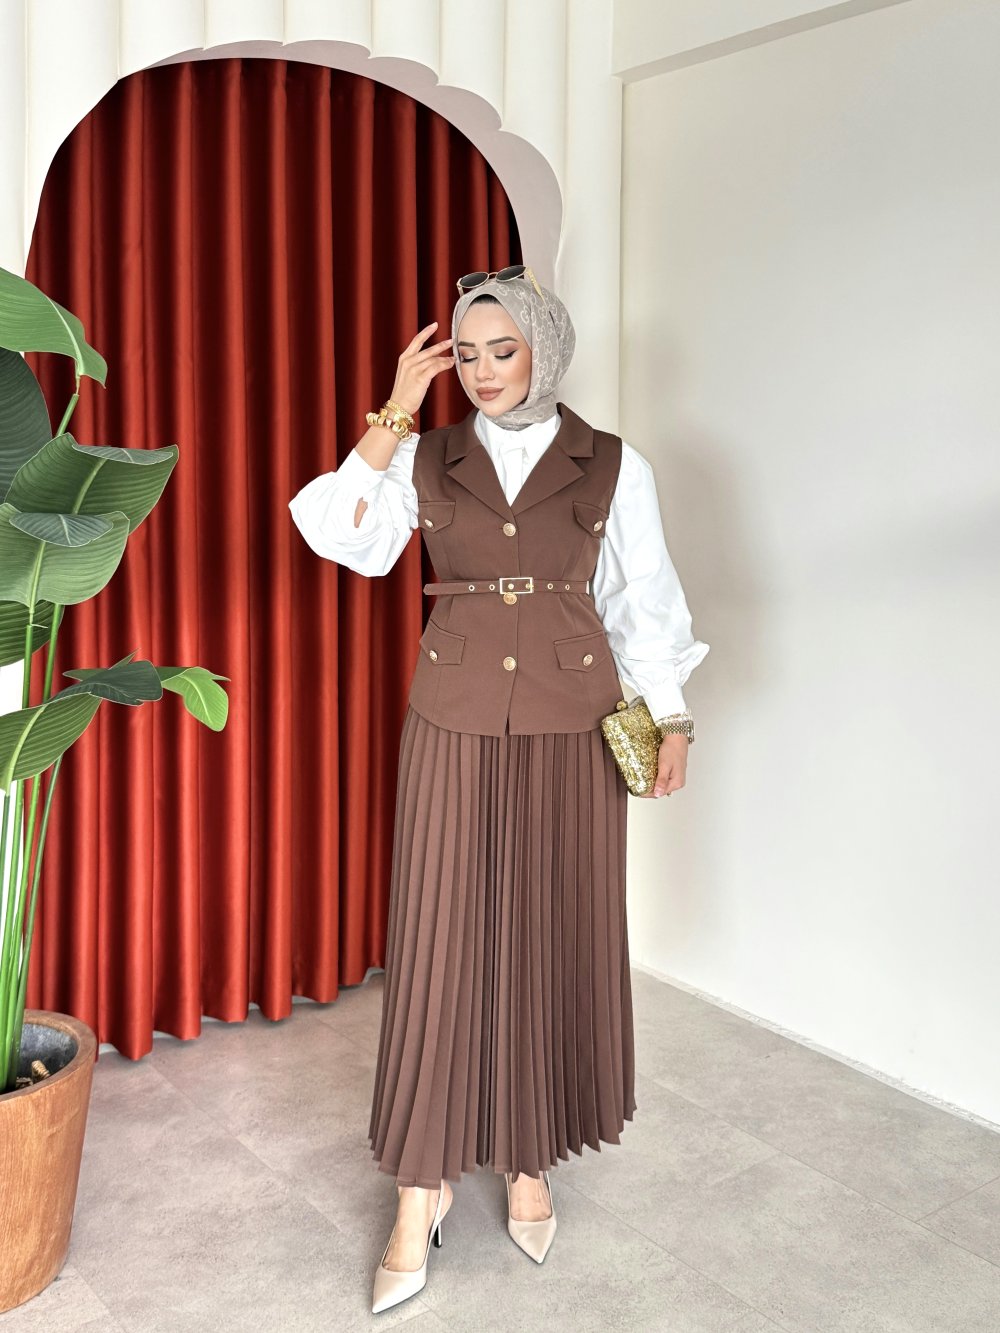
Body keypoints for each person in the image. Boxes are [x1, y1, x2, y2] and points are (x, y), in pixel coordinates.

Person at [288, 264, 709, 1315]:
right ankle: (418, 1186)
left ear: (544, 349)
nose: (481, 372)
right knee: (440, 939)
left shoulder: (612, 462)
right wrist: (393, 410)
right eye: (466, 355)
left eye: (502, 350)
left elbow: (643, 597)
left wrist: (671, 715)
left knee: (552, 928)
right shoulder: (424, 453)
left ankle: (530, 1156)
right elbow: (339, 535)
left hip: (576, 718)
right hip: (452, 712)